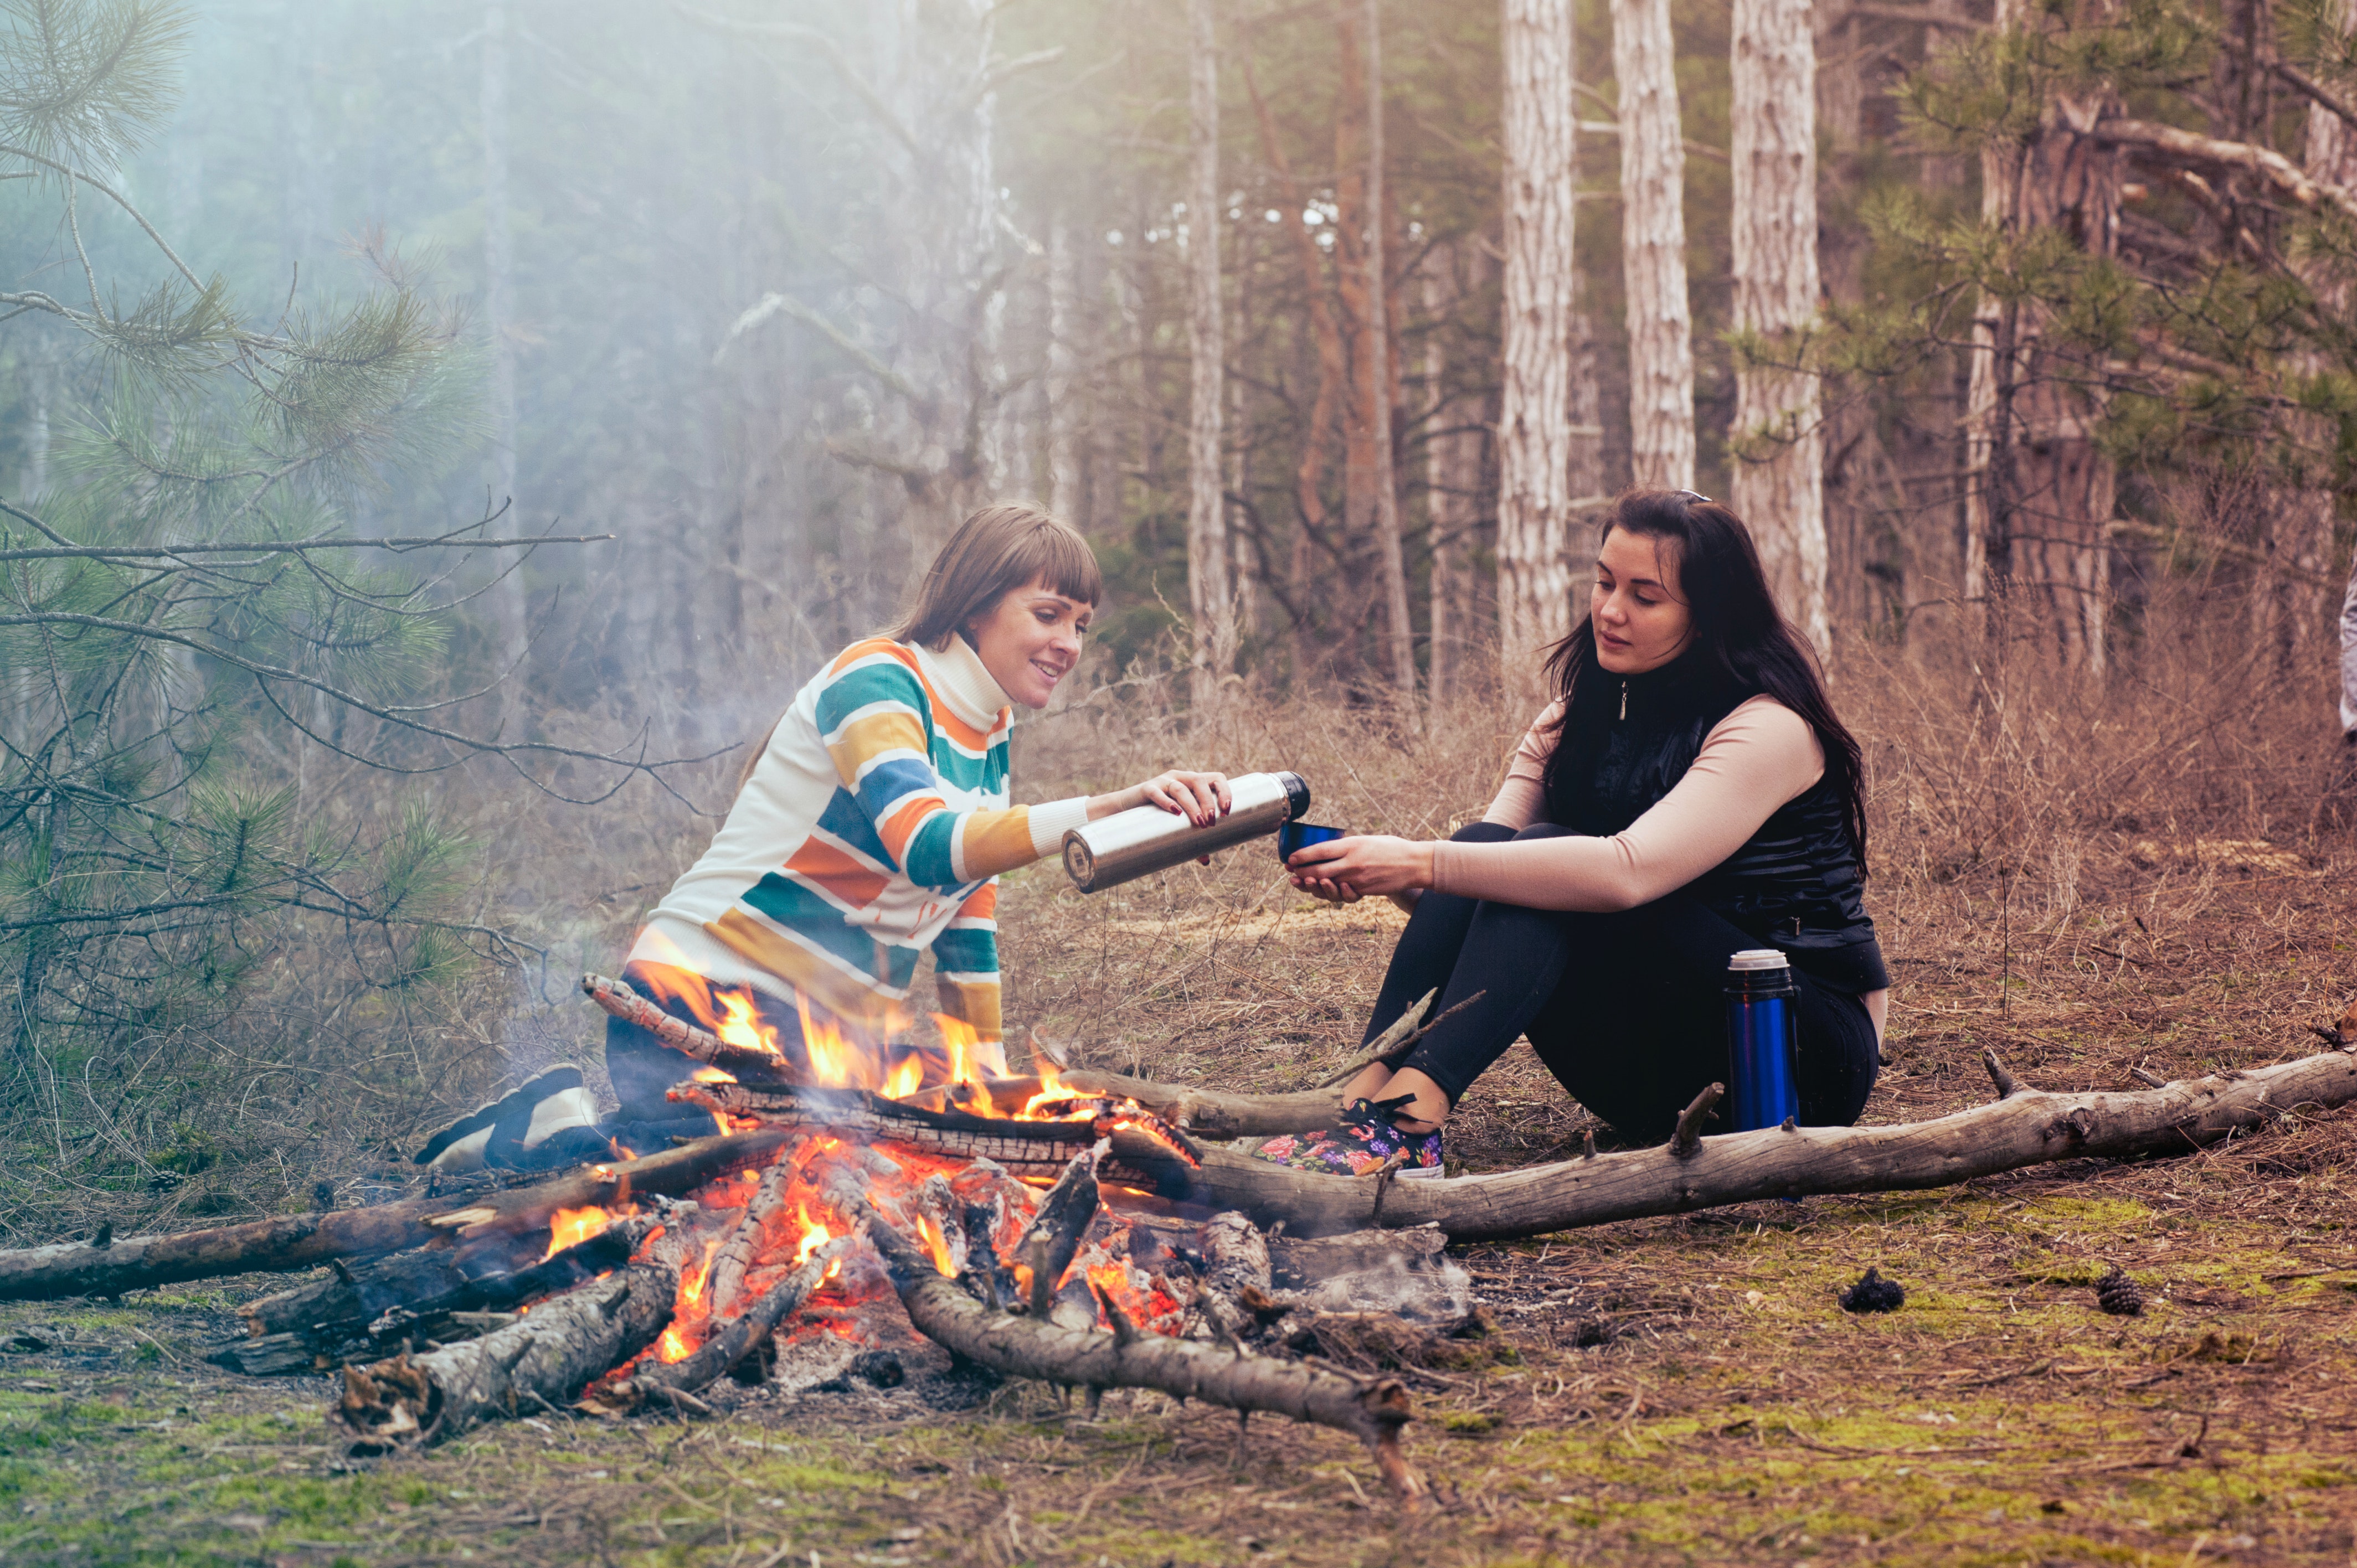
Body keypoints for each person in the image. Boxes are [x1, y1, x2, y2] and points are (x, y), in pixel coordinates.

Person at [418, 504, 1229, 1170]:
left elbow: (966, 905)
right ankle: (539, 1129)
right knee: (710, 1183)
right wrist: (1102, 809)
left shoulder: (991, 728)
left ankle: (575, 1127)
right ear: (977, 605)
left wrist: (986, 1073)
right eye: (1049, 614)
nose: (1070, 645)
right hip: (701, 1001)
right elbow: (930, 846)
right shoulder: (877, 678)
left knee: (889, 1170)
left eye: (1082, 625)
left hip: (822, 1044)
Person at [1253, 489, 1888, 1177]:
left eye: (1645, 597)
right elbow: (1479, 887)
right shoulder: (1567, 721)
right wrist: (1384, 876)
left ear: (1708, 617)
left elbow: (1624, 873)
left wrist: (1417, 862)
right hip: (1656, 1072)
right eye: (1603, 581)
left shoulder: (1767, 728)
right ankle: (1352, 1108)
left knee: (1530, 860)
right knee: (1487, 847)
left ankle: (1408, 1125)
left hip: (1793, 1060)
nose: (1610, 611)